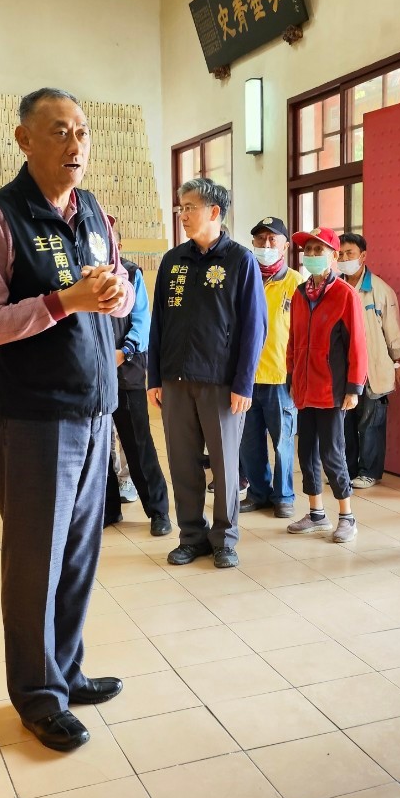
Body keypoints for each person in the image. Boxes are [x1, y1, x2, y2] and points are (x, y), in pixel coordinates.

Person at [0, 87, 130, 752]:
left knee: (81, 556)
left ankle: (66, 671)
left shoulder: (92, 211)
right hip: (35, 418)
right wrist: (63, 301)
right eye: (59, 131)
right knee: (37, 561)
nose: (76, 144)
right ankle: (36, 694)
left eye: (83, 131)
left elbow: (114, 289)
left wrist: (118, 294)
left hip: (95, 407)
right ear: (24, 139)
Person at [148, 179, 266, 569]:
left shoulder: (240, 260)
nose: (183, 215)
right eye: (180, 207)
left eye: (190, 207)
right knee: (182, 464)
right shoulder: (172, 261)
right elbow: (158, 324)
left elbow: (254, 327)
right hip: (176, 382)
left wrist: (243, 383)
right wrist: (154, 378)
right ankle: (191, 536)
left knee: (224, 466)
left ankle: (224, 539)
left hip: (221, 385)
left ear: (214, 212)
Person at [285, 228, 367, 543]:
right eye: (308, 250)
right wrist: (292, 377)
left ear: (334, 256)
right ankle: (317, 513)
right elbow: (293, 341)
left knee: (333, 453)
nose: (313, 256)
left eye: (320, 250)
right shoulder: (299, 293)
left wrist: (354, 388)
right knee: (305, 452)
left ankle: (347, 516)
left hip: (332, 390)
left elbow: (357, 345)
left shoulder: (345, 295)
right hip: (304, 388)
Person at [239, 216, 303, 519]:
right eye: (260, 239)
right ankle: (258, 493)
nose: (266, 245)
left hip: (281, 377)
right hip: (246, 377)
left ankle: (284, 495)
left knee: (282, 443)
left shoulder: (297, 283)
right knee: (249, 442)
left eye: (272, 239)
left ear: (285, 246)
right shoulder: (244, 279)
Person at [103, 254, 172, 537]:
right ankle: (108, 509)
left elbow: (142, 320)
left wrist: (124, 352)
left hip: (125, 370)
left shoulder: (131, 273)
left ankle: (158, 511)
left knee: (138, 445)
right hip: (90, 375)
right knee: (98, 450)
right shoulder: (79, 272)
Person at [337, 232, 400, 490]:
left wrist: (397, 363)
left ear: (363, 256)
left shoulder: (380, 290)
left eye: (349, 254)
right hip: (343, 369)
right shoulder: (335, 288)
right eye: (340, 254)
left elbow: (392, 331)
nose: (344, 259)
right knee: (345, 422)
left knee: (371, 422)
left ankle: (369, 471)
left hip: (374, 367)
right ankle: (348, 467)